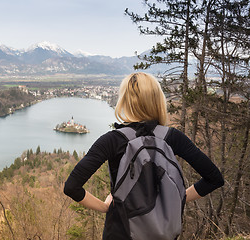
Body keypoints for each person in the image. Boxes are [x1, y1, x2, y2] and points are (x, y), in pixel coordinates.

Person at [63, 72, 224, 239]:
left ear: (125, 102)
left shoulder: (111, 140)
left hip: (121, 232)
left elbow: (71, 187)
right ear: (157, 100)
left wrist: (107, 207)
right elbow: (214, 178)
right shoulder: (173, 137)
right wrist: (177, 199)